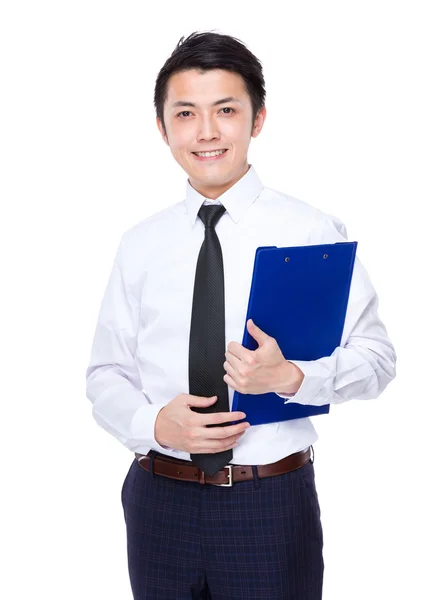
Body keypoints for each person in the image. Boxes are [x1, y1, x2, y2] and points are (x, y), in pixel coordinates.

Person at [85, 30, 397, 600]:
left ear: (257, 120)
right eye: (186, 113)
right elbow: (105, 375)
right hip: (159, 501)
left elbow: (377, 360)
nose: (206, 132)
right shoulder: (140, 244)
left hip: (268, 504)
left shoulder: (309, 232)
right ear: (163, 127)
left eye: (225, 110)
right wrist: (155, 424)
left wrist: (294, 378)